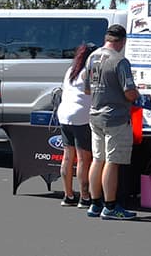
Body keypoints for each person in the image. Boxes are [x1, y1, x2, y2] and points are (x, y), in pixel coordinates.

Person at [84, 24, 140, 220]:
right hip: (115, 117)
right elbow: (130, 92)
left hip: (95, 114)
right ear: (122, 41)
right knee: (112, 161)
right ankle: (110, 206)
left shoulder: (91, 57)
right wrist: (138, 95)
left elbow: (87, 90)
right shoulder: (120, 61)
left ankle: (94, 203)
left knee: (97, 159)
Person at [56, 43, 96, 208]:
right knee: (83, 159)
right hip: (81, 116)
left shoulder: (71, 71)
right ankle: (85, 197)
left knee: (67, 156)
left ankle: (68, 195)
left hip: (64, 114)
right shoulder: (89, 72)